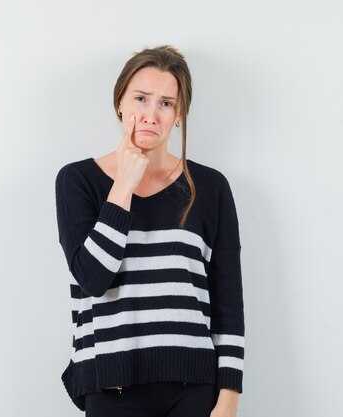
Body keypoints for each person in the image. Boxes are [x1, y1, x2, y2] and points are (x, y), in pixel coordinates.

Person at [54, 45, 245, 417]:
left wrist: (228, 400)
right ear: (120, 103)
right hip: (111, 384)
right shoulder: (78, 181)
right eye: (141, 98)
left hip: (193, 388)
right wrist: (123, 184)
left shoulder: (210, 187)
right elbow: (93, 279)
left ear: (178, 115)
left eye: (166, 103)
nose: (150, 115)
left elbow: (228, 303)